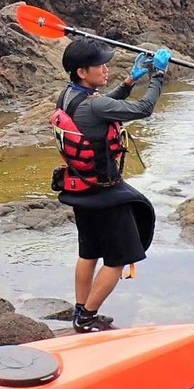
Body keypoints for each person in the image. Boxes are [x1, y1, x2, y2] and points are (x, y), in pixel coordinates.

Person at [52, 37, 170, 332]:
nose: (106, 69)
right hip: (105, 194)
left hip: (80, 190)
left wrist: (130, 80)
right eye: (100, 65)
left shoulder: (68, 96)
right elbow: (143, 109)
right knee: (118, 260)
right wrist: (158, 76)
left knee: (89, 252)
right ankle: (88, 317)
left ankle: (80, 311)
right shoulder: (95, 104)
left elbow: (105, 106)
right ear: (82, 71)